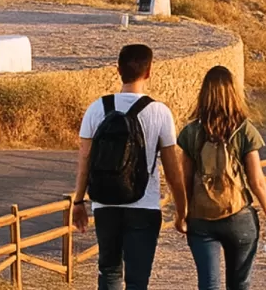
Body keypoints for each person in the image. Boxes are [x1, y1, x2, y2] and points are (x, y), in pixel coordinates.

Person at [72, 44, 187, 290]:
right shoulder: (159, 112)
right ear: (149, 72)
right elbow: (172, 170)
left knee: (109, 272)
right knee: (137, 279)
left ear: (118, 70)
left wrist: (79, 201)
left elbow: (85, 160)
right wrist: (181, 210)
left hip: (105, 203)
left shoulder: (96, 109)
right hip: (144, 205)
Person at [178, 65, 266, 290]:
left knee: (208, 284)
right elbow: (256, 181)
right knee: (240, 284)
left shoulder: (191, 132)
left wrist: (182, 212)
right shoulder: (245, 130)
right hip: (239, 216)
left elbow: (184, 180)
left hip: (201, 218)